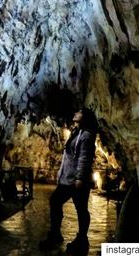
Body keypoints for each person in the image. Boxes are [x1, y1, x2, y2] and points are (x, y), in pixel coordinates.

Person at [39, 107, 98, 255]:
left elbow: (84, 158)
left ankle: (82, 240)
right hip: (67, 179)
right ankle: (55, 234)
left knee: (81, 210)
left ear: (84, 117)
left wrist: (79, 178)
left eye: (79, 112)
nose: (75, 113)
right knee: (55, 201)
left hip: (76, 181)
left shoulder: (86, 135)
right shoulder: (76, 132)